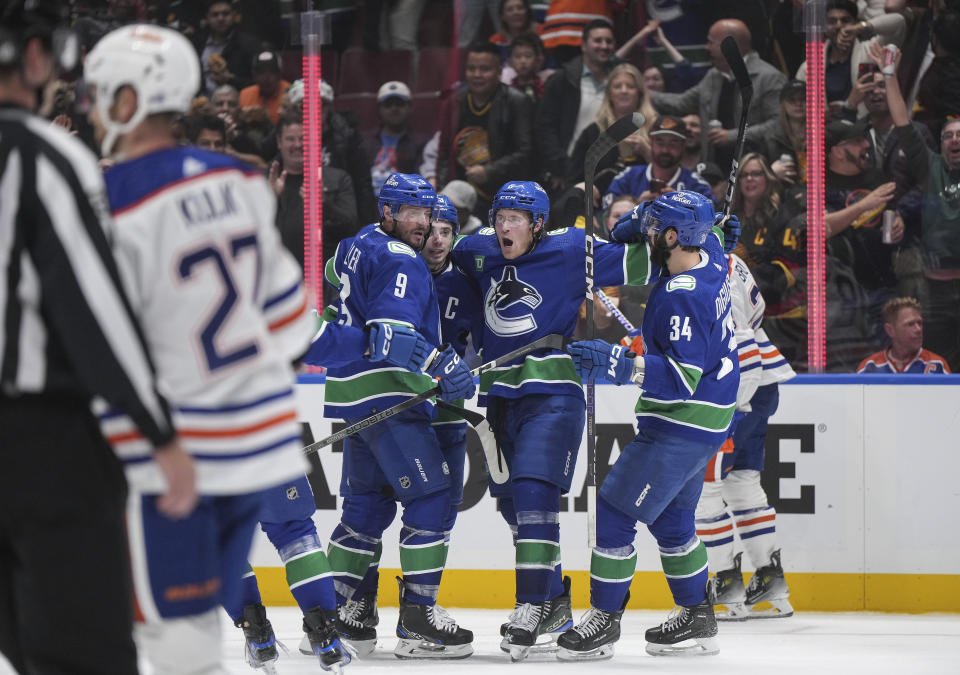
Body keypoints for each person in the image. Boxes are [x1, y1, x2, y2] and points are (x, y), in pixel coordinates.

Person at [82, 24, 339, 673]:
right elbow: (292, 324)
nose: (90, 106)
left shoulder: (111, 203)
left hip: (173, 461)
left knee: (175, 639)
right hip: (261, 447)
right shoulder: (245, 180)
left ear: (131, 100)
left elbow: (103, 347)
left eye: (101, 93)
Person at [0, 6, 193, 673]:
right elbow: (95, 309)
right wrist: (159, 429)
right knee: (82, 654)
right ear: (31, 59)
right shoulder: (43, 155)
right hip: (36, 443)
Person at [449, 180, 664, 661]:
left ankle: (529, 603)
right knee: (511, 506)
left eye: (515, 218)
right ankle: (553, 603)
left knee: (532, 493)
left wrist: (687, 234)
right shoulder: (477, 250)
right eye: (500, 216)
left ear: (538, 224)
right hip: (500, 395)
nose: (504, 225)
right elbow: (437, 265)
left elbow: (646, 262)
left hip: (553, 392)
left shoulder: (571, 249)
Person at [557, 190, 739, 660]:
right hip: (709, 419)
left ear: (675, 236)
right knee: (673, 521)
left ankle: (604, 621)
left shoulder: (684, 296)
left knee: (615, 512)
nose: (647, 233)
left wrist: (620, 364)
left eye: (656, 228)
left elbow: (679, 380)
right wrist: (647, 217)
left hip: (680, 422)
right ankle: (697, 614)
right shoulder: (712, 253)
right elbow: (631, 231)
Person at [306, 173, 477, 659]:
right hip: (389, 392)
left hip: (351, 390)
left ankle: (328, 619)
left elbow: (334, 273)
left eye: (428, 215)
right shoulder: (403, 258)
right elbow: (389, 336)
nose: (423, 225)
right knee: (432, 495)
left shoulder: (357, 242)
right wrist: (440, 363)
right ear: (389, 211)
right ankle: (419, 619)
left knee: (367, 508)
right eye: (413, 213)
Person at [695, 252, 796, 621]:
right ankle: (771, 580)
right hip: (764, 375)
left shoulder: (698, 265)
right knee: (741, 482)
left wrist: (733, 404)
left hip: (737, 382)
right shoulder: (731, 259)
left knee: (704, 491)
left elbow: (736, 334)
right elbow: (756, 313)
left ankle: (726, 586)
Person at [869, 41, 960, 370]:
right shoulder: (930, 166)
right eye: (948, 135)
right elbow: (903, 123)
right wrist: (889, 75)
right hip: (934, 288)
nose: (955, 140)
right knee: (938, 364)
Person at [650, 19, 787, 169]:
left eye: (711, 42)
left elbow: (778, 124)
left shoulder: (769, 78)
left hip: (754, 172)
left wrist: (732, 136)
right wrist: (643, 93)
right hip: (714, 171)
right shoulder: (713, 77)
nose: (706, 47)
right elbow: (681, 103)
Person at [437, 41, 535, 217]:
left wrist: (489, 171)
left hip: (506, 194)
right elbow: (444, 153)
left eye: (484, 69)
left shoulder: (517, 102)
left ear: (499, 72)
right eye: (471, 69)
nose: (477, 75)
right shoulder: (454, 103)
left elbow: (527, 152)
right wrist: (443, 191)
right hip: (462, 195)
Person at [537, 19, 619, 189]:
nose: (604, 46)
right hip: (569, 172)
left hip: (612, 172)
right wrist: (559, 167)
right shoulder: (562, 79)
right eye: (598, 41)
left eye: (609, 41)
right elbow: (545, 127)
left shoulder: (621, 81)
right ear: (583, 46)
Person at [795, 0, 904, 116]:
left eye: (845, 20)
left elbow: (899, 22)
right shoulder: (808, 68)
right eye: (832, 21)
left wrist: (861, 27)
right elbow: (800, 109)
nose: (839, 25)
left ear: (855, 22)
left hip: (867, 129)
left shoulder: (871, 50)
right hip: (828, 131)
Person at [567, 63, 658, 193]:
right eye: (617, 86)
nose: (624, 91)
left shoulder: (655, 128)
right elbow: (573, 180)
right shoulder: (593, 132)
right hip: (602, 209)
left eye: (630, 86)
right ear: (609, 93)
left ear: (640, 93)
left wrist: (647, 152)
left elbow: (671, 176)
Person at [602, 115, 714, 209]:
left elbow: (712, 220)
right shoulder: (628, 176)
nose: (665, 150)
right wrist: (636, 207)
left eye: (673, 143)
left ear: (684, 145)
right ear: (651, 142)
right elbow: (606, 216)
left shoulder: (697, 185)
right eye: (660, 142)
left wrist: (681, 206)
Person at [857, 297, 951, 373]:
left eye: (920, 323)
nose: (918, 329)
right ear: (890, 330)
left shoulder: (938, 365)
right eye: (910, 324)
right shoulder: (869, 368)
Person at [191, 0, 259, 95]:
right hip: (201, 103)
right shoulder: (197, 44)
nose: (220, 18)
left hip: (234, 102)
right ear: (207, 18)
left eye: (225, 14)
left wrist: (230, 79)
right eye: (215, 15)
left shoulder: (248, 45)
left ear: (234, 16)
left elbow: (258, 84)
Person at [369, 80, 421, 194]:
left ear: (409, 107)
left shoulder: (419, 144)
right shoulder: (365, 143)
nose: (394, 109)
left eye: (399, 104)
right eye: (388, 104)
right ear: (379, 109)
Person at [239, 50, 290, 124]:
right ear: (254, 75)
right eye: (261, 72)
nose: (266, 77)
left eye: (272, 71)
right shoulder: (245, 95)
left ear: (279, 74)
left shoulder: (290, 94)